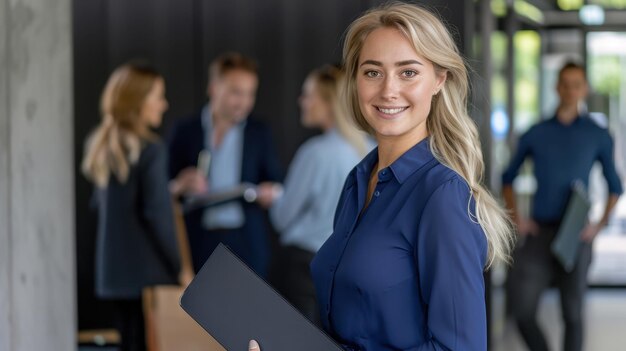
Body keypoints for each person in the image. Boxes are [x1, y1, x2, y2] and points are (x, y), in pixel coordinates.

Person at [250, 3, 515, 350]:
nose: (388, 90)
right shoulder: (358, 180)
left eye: (408, 73)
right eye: (373, 72)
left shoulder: (442, 195)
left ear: (439, 79)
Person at [503, 62, 622, 351]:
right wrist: (519, 218)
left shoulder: (597, 134)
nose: (570, 90)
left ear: (585, 89)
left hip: (576, 235)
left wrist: (599, 225)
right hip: (539, 232)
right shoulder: (536, 132)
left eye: (576, 84)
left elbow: (615, 186)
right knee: (523, 310)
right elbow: (508, 178)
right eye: (565, 84)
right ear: (557, 87)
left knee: (572, 313)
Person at [82, 62, 181, 351]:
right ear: (138, 101)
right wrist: (179, 268)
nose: (163, 105)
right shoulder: (151, 150)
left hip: (113, 276)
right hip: (148, 278)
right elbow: (157, 215)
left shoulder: (105, 148)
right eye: (158, 96)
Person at [269, 64, 371, 325]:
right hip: (349, 270)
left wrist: (274, 197)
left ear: (327, 102)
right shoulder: (371, 151)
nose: (301, 101)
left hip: (305, 269)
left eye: (307, 94)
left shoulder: (314, 153)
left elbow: (282, 217)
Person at [167, 52, 283, 277]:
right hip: (197, 242)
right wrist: (179, 185)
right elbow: (164, 186)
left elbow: (275, 180)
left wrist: (271, 192)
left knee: (247, 310)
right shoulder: (185, 131)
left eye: (250, 94)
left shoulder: (259, 132)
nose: (244, 102)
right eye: (236, 92)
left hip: (246, 241)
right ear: (213, 88)